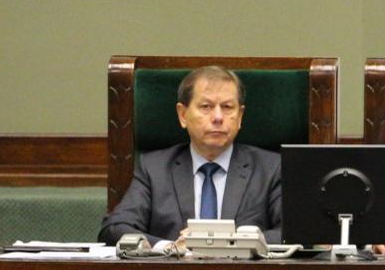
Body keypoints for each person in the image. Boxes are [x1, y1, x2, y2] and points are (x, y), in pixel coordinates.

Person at [98, 66, 283, 247]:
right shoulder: (154, 169)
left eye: (227, 107)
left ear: (240, 116)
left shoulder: (270, 169)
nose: (218, 117)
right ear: (183, 114)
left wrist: (228, 241)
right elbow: (114, 229)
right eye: (206, 106)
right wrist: (168, 247)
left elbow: (290, 233)